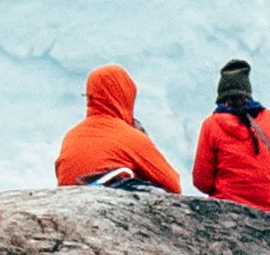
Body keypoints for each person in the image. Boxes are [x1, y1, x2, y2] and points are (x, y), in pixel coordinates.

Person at [53, 63, 182, 193]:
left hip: (71, 205)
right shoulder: (131, 138)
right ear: (124, 94)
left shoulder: (71, 136)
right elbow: (174, 186)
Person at [190, 56, 270, 213]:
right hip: (268, 212)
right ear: (247, 93)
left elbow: (202, 181)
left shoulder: (212, 125)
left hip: (225, 211)